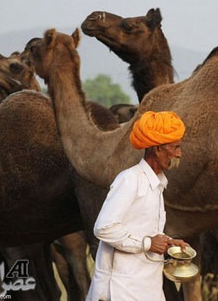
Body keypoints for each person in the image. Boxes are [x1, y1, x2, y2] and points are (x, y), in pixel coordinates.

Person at [86, 110, 189, 301]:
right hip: (120, 289)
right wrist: (148, 244)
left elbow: (142, 228)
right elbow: (103, 228)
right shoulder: (129, 180)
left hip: (147, 287)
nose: (179, 154)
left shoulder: (158, 184)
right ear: (157, 149)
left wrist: (168, 243)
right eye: (175, 147)